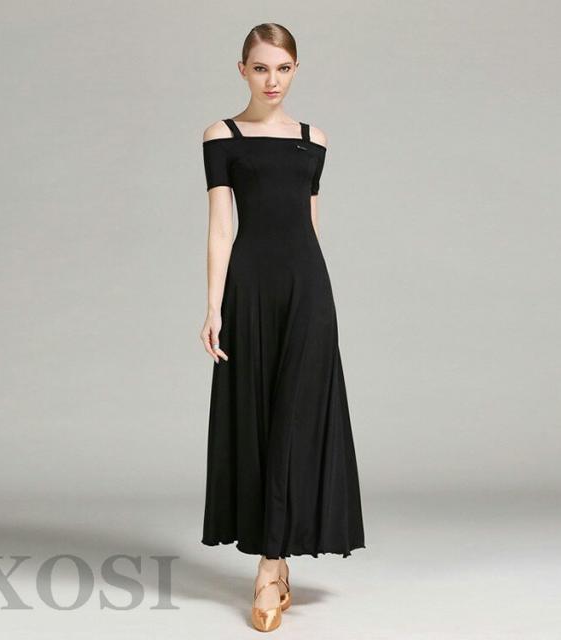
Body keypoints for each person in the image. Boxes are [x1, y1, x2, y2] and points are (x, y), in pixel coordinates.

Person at [199, 23, 365, 632]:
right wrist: (214, 306)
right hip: (250, 290)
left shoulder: (313, 140)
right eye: (261, 68)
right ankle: (273, 559)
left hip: (307, 290)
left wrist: (317, 295)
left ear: (296, 70)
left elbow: (309, 225)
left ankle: (271, 569)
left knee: (299, 418)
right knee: (260, 418)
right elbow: (221, 227)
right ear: (242, 69)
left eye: (283, 68)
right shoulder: (222, 136)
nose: (273, 80)